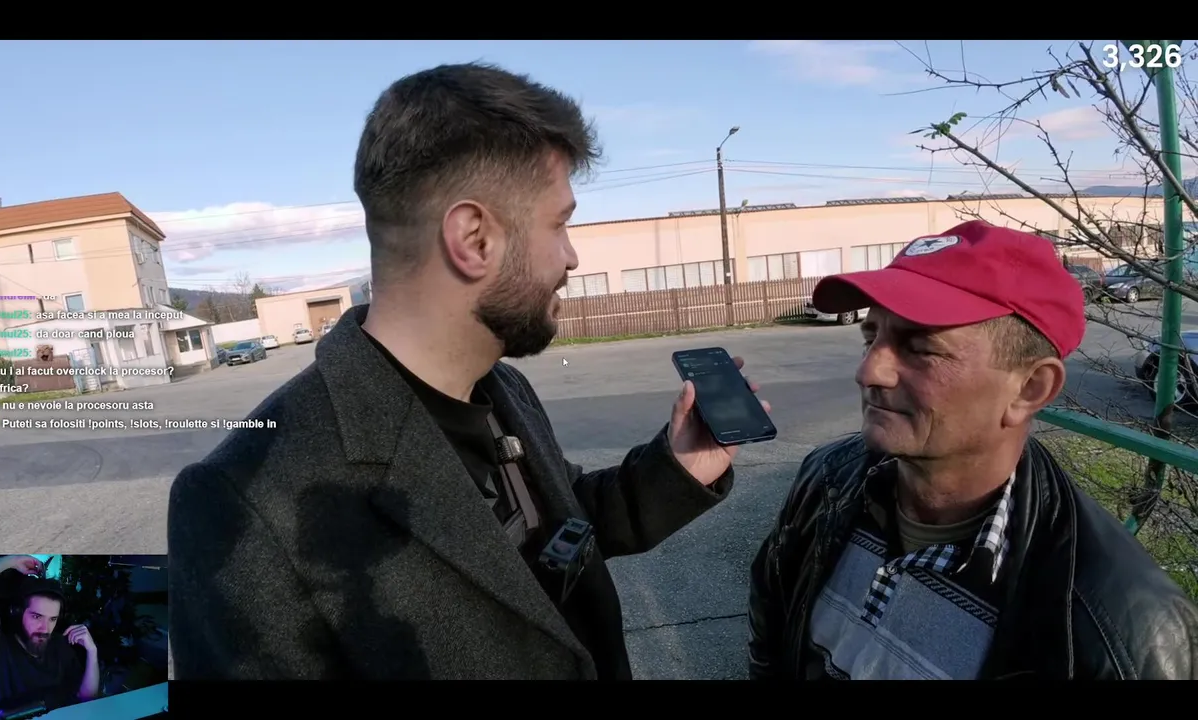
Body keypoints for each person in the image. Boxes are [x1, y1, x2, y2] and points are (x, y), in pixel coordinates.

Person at [167, 62, 768, 680]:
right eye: (560, 224)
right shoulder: (241, 504)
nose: (572, 257)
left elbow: (565, 524)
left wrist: (679, 466)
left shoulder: (502, 387)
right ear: (475, 239)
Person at [747, 220, 1198, 680]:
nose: (868, 372)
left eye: (921, 349)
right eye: (871, 339)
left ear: (1029, 388)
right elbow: (770, 642)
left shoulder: (1120, 630)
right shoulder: (826, 479)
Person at [0, 555, 100, 714]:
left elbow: (86, 698)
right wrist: (13, 561)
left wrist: (92, 652)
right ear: (17, 612)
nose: (45, 628)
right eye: (37, 617)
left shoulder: (59, 645)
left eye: (52, 619)